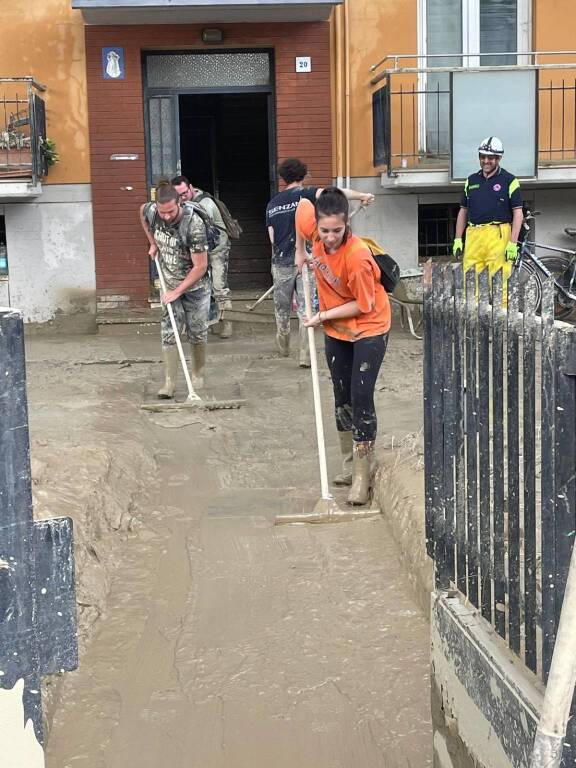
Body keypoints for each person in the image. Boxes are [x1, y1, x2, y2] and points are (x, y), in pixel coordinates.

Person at [295, 188, 391, 506]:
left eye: (337, 230)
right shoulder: (313, 226)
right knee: (341, 396)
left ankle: (363, 476)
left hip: (369, 326)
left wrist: (320, 315)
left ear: (346, 223)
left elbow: (363, 304)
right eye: (324, 231)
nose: (330, 237)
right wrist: (300, 252)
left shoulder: (358, 256)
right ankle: (349, 466)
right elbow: (303, 206)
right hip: (337, 330)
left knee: (361, 395)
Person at [266, 158, 375, 367]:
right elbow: (336, 194)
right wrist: (362, 195)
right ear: (303, 176)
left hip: (281, 260)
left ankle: (283, 343)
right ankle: (305, 356)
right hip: (307, 260)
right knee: (307, 308)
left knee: (281, 307)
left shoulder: (273, 203)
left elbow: (271, 235)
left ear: (283, 178)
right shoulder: (306, 194)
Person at [139, 181, 210, 397]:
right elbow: (141, 213)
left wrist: (177, 291)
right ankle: (169, 384)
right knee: (169, 333)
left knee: (197, 332)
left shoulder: (194, 225)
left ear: (179, 202)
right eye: (163, 212)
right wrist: (152, 242)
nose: (166, 216)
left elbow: (201, 266)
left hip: (195, 287)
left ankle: (197, 375)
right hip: (170, 283)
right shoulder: (151, 211)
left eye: (170, 211)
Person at [453, 137, 523, 295]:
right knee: (470, 285)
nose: (486, 161)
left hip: (498, 235)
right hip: (474, 236)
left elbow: (518, 213)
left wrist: (513, 242)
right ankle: (474, 319)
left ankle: (501, 319)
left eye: (490, 157)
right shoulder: (471, 181)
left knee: (500, 285)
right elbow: (463, 211)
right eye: (482, 156)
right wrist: (458, 239)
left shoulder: (510, 180)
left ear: (499, 158)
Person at [172, 175, 233, 339]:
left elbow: (202, 229)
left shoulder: (204, 203)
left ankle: (226, 322)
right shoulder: (182, 204)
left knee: (219, 285)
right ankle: (208, 321)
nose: (182, 197)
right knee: (202, 286)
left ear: (190, 187)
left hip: (217, 247)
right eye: (179, 195)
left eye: (184, 193)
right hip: (201, 247)